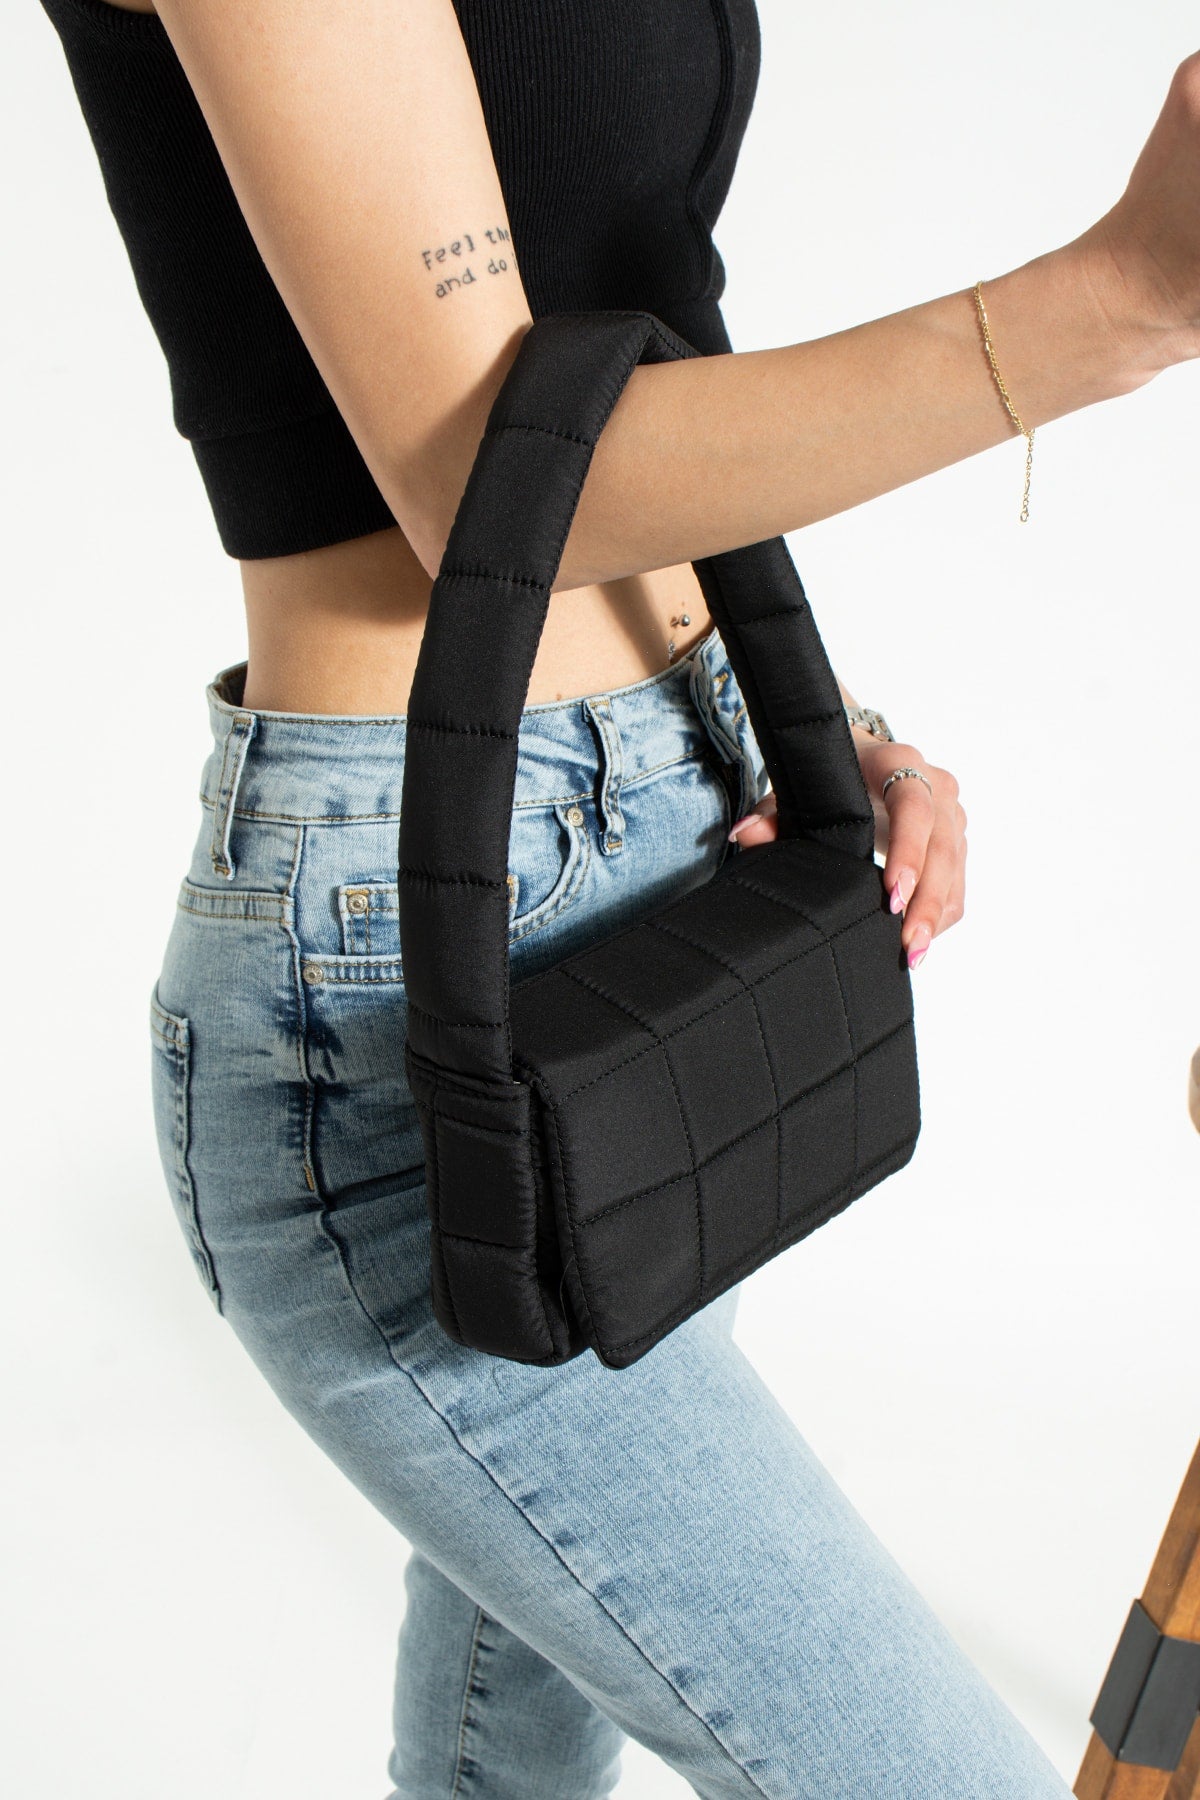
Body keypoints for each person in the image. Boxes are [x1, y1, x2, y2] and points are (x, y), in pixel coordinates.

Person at [36, 0, 1199, 1792]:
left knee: (510, 1749)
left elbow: (632, 339)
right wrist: (1115, 302)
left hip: (669, 858)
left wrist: (801, 714)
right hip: (409, 977)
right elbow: (482, 481)